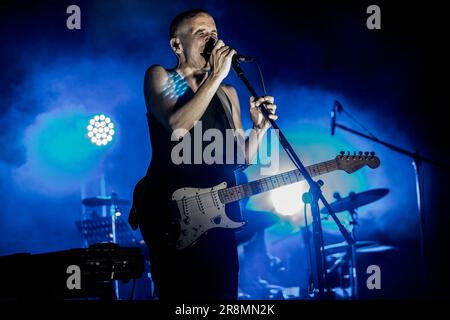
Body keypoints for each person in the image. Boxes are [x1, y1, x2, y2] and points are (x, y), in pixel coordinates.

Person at [129, 9, 278, 300]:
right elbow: (177, 126)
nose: (212, 40)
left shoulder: (227, 93)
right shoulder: (163, 77)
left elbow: (238, 158)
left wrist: (259, 129)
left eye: (214, 34)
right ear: (177, 45)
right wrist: (216, 76)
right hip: (171, 216)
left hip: (218, 217)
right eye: (201, 34)